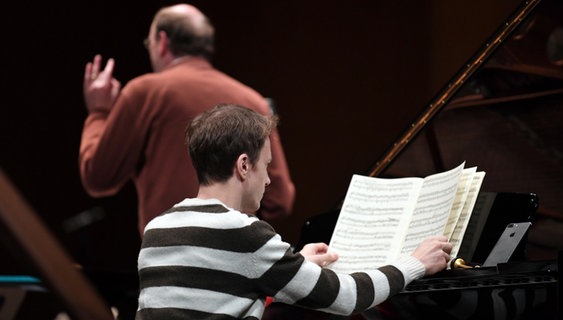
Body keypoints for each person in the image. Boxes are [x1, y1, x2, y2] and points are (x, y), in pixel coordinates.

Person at [136, 103, 452, 319]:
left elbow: (220, 281)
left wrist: (295, 265)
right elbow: (347, 297)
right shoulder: (245, 233)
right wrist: (415, 263)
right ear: (244, 165)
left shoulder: (157, 229)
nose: (269, 178)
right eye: (267, 165)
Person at [79, 3, 295, 236]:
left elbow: (98, 177)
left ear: (162, 42)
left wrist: (99, 112)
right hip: (239, 260)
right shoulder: (253, 101)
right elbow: (280, 201)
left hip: (171, 257)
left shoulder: (145, 92)